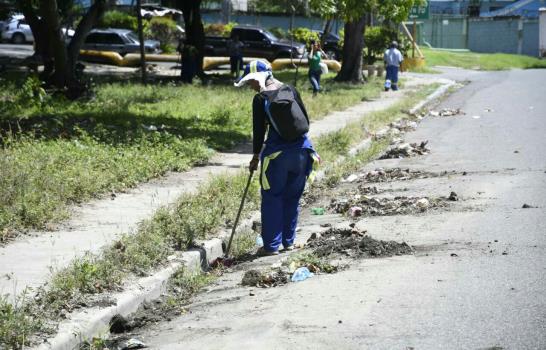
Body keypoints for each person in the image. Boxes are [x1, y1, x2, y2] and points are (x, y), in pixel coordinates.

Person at [234, 60, 320, 255]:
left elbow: (259, 130)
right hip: (302, 153)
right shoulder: (290, 89)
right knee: (292, 198)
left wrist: (256, 156)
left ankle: (271, 246)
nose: (251, 86)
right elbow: (305, 119)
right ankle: (288, 242)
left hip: (276, 157)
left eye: (251, 82)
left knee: (272, 199)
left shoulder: (261, 99)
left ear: (259, 78)